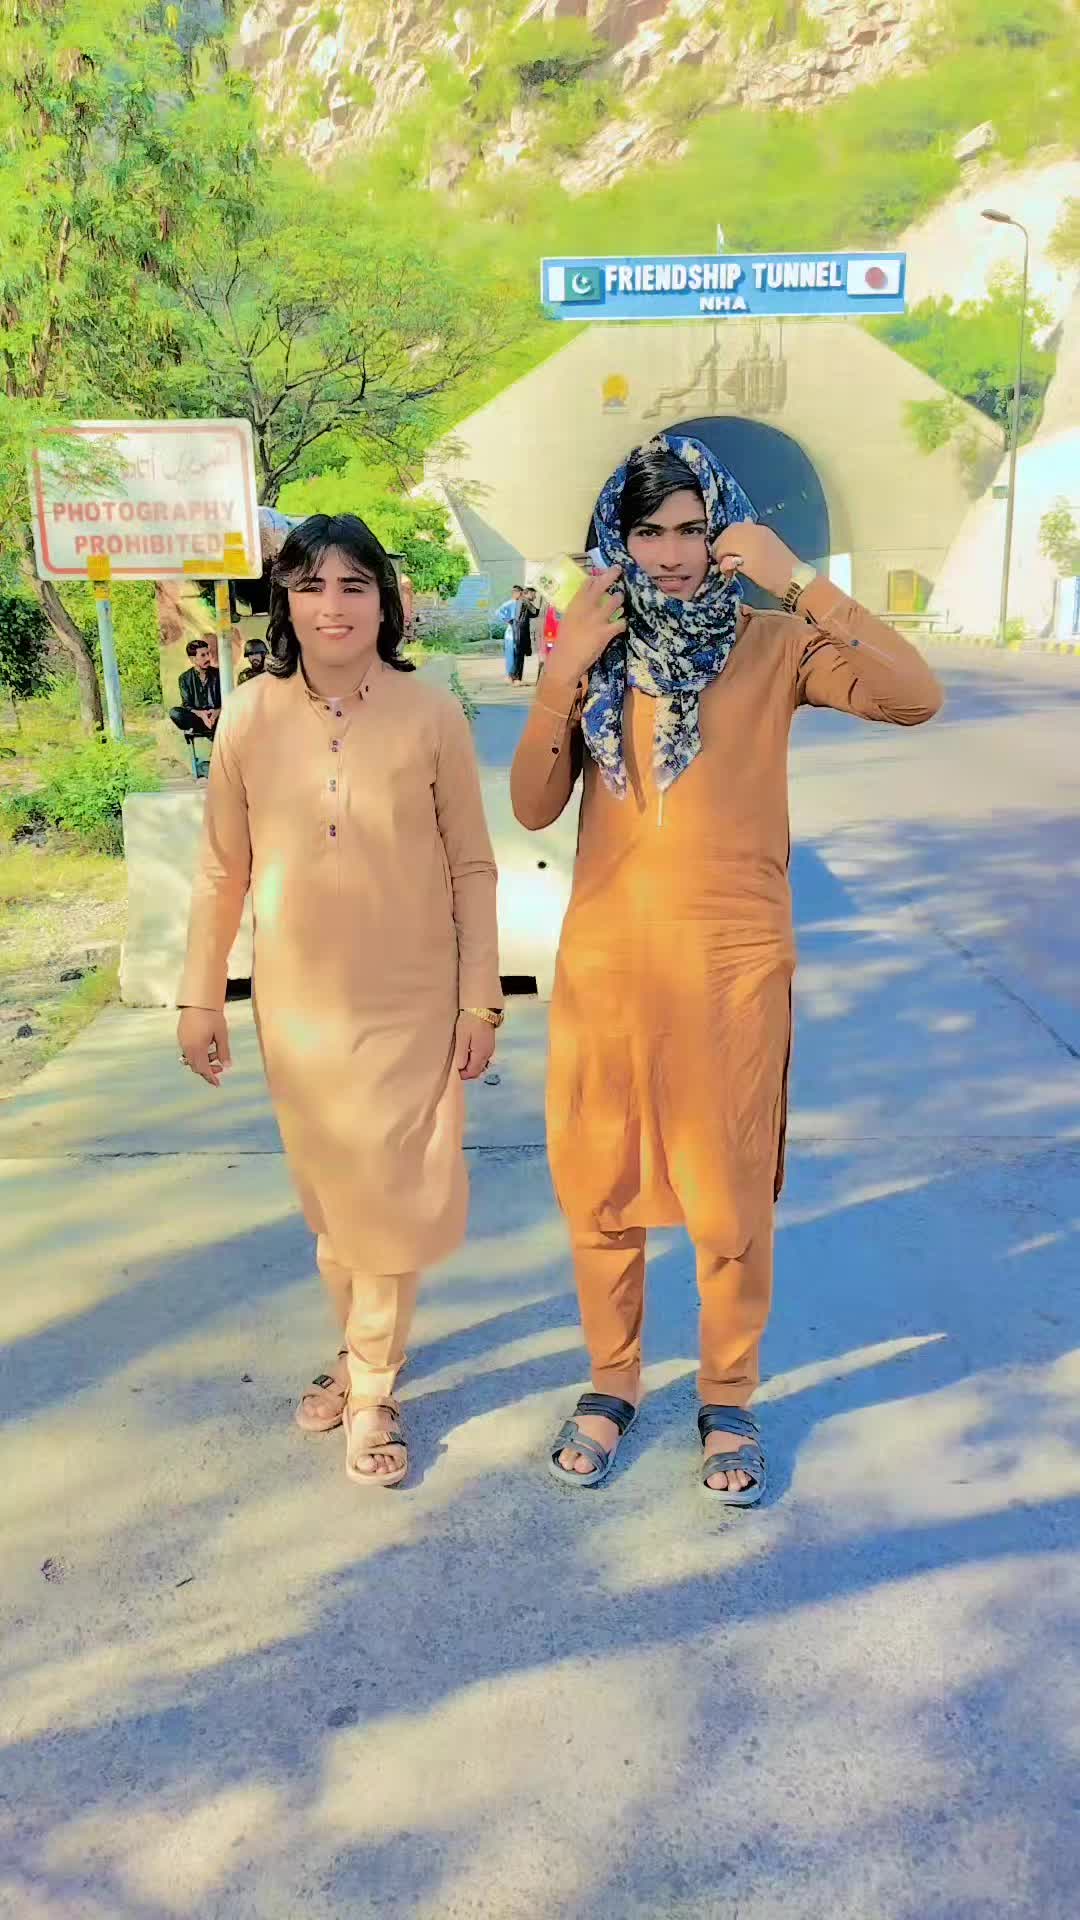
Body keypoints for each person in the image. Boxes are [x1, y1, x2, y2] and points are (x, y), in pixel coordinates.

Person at [510, 434, 943, 1505]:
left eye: (693, 529)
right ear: (619, 539)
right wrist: (561, 675)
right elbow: (532, 805)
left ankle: (727, 1395)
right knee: (599, 1186)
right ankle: (612, 1380)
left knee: (731, 1192)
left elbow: (913, 695)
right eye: (649, 531)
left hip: (732, 967)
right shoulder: (597, 646)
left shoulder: (776, 644)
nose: (670, 553)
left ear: (725, 532)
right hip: (610, 963)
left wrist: (801, 582)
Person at [176, 513, 503, 1488]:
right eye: (311, 585)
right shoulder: (247, 715)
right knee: (333, 1208)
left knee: (387, 1200)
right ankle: (360, 1350)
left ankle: (372, 1391)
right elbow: (220, 871)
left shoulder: (431, 712)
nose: (333, 606)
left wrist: (479, 999)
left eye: (354, 585)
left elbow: (472, 865)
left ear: (384, 603)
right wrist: (200, 996)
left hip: (410, 1000)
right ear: (284, 600)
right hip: (298, 1009)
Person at [169, 637, 221, 746]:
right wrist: (202, 714)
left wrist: (216, 712)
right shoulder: (184, 678)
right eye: (203, 655)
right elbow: (187, 705)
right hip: (198, 719)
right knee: (175, 712)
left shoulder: (219, 674)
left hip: (218, 716)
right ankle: (206, 728)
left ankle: (213, 729)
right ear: (193, 659)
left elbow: (227, 700)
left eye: (208, 653)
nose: (208, 658)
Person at [498, 585, 524, 680]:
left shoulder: (521, 604)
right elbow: (498, 612)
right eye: (516, 592)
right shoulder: (510, 603)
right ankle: (510, 674)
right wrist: (508, 620)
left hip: (519, 630)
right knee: (510, 653)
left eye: (519, 592)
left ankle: (515, 675)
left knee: (518, 653)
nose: (519, 594)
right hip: (511, 631)